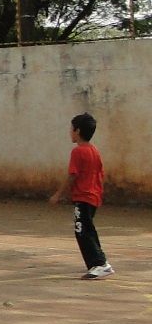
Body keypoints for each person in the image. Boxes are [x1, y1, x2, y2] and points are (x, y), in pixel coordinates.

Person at [49, 113, 114, 279]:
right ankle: (98, 262)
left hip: (84, 197)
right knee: (88, 230)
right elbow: (100, 174)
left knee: (82, 231)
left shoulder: (78, 152)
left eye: (71, 129)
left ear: (77, 131)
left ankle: (100, 263)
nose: (69, 132)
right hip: (93, 197)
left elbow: (72, 175)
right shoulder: (94, 150)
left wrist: (58, 194)